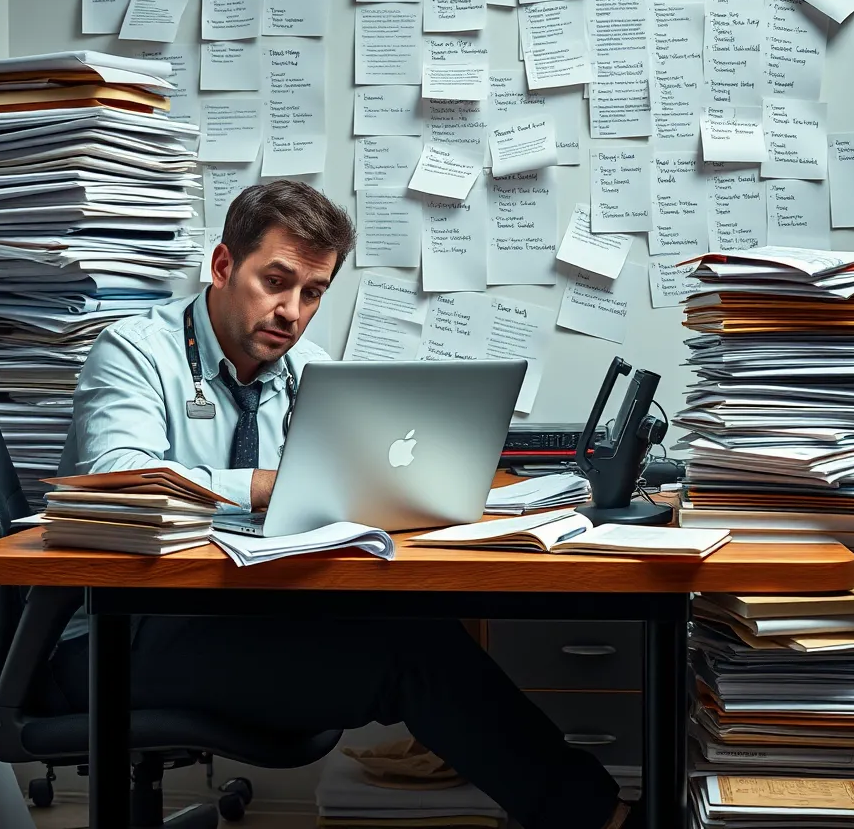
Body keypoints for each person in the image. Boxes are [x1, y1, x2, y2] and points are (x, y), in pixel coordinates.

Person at [54, 180, 641, 829]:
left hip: (231, 613)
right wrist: (264, 484)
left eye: (312, 293)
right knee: (409, 659)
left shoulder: (310, 371)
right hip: (111, 636)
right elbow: (117, 475)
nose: (292, 311)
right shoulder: (136, 352)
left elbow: (337, 493)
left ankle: (593, 814)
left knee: (418, 631)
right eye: (275, 282)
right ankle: (601, 818)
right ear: (223, 266)